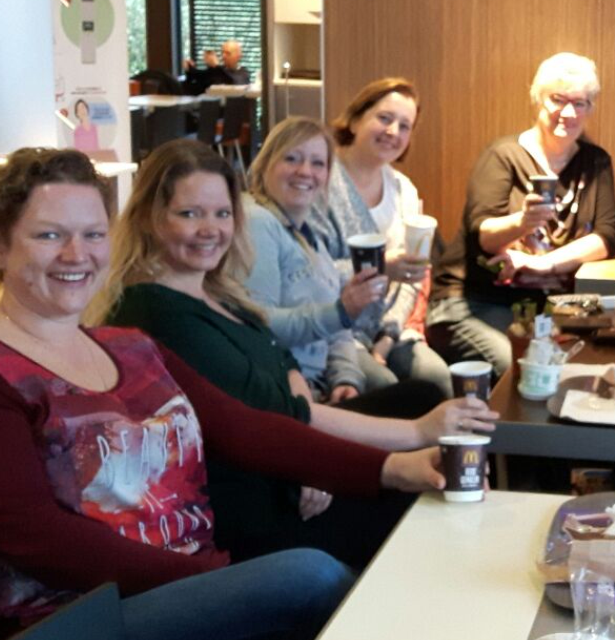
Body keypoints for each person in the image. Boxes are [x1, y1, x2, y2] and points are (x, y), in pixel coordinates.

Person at [0, 147, 446, 637]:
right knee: (310, 576)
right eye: (49, 235)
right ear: (3, 246)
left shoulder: (129, 347)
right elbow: (39, 538)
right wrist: (211, 577)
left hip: (193, 580)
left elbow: (244, 429)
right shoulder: (9, 371)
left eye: (93, 234)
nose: (76, 254)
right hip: (83, 616)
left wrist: (393, 467)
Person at [90, 139, 496, 567]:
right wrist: (409, 437)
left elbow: (284, 361)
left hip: (287, 449)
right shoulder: (155, 311)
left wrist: (313, 448)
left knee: (419, 395)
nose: (210, 229)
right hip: (258, 501)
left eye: (222, 213)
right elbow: (267, 417)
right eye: (189, 214)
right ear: (151, 218)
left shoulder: (217, 289)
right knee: (412, 487)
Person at [428, 52, 615, 376]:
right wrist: (522, 222)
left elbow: (606, 238)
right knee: (524, 364)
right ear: (537, 98)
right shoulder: (503, 156)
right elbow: (482, 234)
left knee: (589, 363)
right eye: (558, 100)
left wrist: (543, 263)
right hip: (474, 301)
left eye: (580, 103)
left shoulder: (596, 162)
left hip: (547, 310)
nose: (569, 113)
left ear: (591, 108)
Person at [311, 77, 452, 396]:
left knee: (437, 378)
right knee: (382, 387)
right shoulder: (321, 184)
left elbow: (412, 277)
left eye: (404, 126)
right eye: (384, 118)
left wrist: (388, 338)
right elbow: (310, 274)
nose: (393, 132)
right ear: (355, 119)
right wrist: (379, 267)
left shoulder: (404, 190)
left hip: (388, 327)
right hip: (336, 328)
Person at [243, 116, 399, 402]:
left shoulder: (307, 233)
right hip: (287, 393)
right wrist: (341, 311)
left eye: (318, 163)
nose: (305, 172)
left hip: (323, 387)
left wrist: (346, 379)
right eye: (292, 159)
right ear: (265, 165)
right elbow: (259, 324)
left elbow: (338, 331)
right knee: (416, 397)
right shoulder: (257, 222)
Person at [183, 40, 250, 95]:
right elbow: (195, 86)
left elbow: (234, 85)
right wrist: (189, 70)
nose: (223, 56)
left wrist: (216, 66)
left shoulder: (243, 73)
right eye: (222, 52)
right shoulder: (217, 71)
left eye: (228, 53)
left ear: (238, 56)